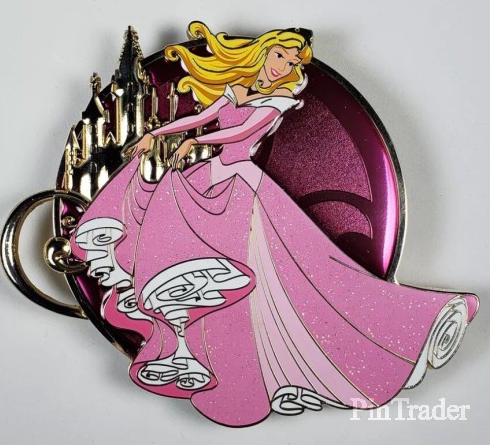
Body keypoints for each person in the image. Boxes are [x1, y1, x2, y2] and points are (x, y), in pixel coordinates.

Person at [70, 21, 479, 427]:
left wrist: (197, 142)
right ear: (263, 53)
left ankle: (370, 338)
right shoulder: (236, 89)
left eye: (291, 61)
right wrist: (157, 134)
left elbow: (240, 133)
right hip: (210, 177)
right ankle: (193, 345)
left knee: (278, 276)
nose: (282, 65)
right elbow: (201, 118)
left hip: (240, 187)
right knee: (175, 229)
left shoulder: (278, 102)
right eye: (279, 55)